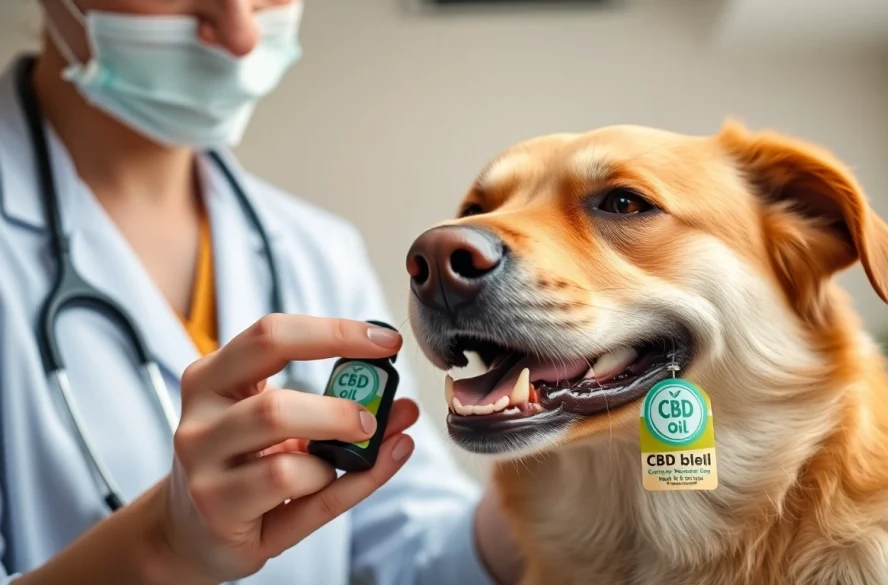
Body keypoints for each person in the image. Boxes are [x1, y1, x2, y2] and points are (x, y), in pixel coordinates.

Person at [0, 1, 521, 583]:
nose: (242, 34)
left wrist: (584, 444)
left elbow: (412, 553)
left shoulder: (314, 248)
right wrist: (159, 546)